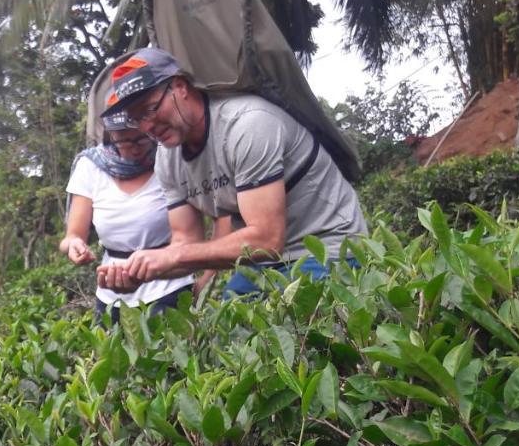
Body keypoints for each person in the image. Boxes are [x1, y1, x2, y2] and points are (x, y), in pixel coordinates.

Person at [95, 48, 367, 298]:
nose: (147, 126)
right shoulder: (167, 159)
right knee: (232, 324)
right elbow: (185, 241)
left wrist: (174, 257)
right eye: (136, 118)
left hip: (328, 245)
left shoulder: (248, 124)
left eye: (151, 109)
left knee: (304, 327)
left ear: (180, 87)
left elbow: (267, 239)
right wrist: (143, 272)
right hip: (265, 262)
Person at [61, 110, 196, 322]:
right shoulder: (90, 166)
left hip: (169, 284)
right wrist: (74, 246)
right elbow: (72, 236)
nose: (134, 148)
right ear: (111, 136)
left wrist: (205, 278)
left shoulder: (170, 158)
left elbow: (202, 226)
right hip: (110, 290)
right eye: (124, 141)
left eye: (141, 139)